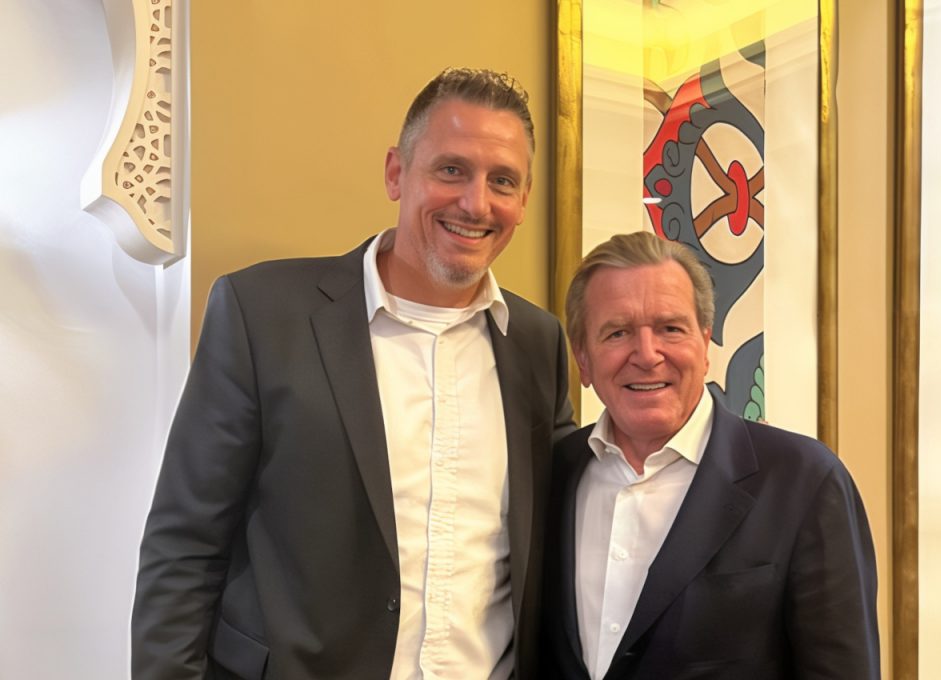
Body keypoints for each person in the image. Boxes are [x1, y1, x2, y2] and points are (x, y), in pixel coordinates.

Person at [132, 67, 575, 680]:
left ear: (523, 199)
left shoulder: (537, 343)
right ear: (397, 172)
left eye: (502, 180)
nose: (476, 203)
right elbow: (184, 548)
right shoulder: (263, 314)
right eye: (451, 169)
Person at [542, 231, 879, 679]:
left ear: (704, 345)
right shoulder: (552, 474)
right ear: (583, 359)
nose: (646, 354)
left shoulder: (804, 482)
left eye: (670, 329)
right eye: (617, 332)